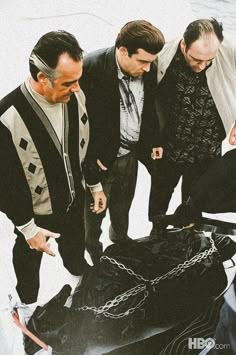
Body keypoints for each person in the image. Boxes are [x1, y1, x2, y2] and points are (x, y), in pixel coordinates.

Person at [0, 30, 106, 306]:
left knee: (75, 253)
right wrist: (26, 228)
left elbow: (86, 145)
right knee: (28, 267)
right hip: (35, 217)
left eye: (77, 81)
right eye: (68, 83)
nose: (76, 89)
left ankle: (79, 279)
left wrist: (94, 185)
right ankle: (26, 306)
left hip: (73, 203)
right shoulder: (6, 117)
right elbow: (4, 184)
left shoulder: (75, 96)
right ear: (42, 78)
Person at [80, 20, 165, 263]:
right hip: (101, 160)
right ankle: (92, 247)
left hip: (131, 155)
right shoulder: (91, 68)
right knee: (94, 212)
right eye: (143, 62)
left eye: (151, 61)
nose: (149, 68)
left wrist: (153, 141)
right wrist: (90, 160)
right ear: (123, 51)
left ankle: (119, 240)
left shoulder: (146, 65)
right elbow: (78, 121)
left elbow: (148, 108)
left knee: (123, 205)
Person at [149, 18, 236, 234]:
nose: (201, 66)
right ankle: (156, 232)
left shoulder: (228, 51)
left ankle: (190, 239)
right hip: (170, 145)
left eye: (209, 61)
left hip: (207, 145)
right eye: (196, 59)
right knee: (160, 195)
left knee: (196, 201)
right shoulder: (163, 55)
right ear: (183, 45)